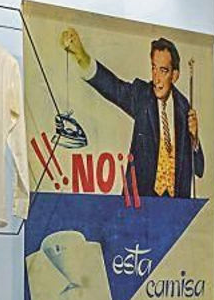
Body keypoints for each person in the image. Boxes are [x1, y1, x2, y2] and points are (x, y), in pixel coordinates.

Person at [61, 27, 204, 198]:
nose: (156, 77)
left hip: (175, 208)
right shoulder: (142, 95)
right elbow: (114, 88)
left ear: (174, 75)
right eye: (154, 68)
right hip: (140, 203)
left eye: (163, 71)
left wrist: (194, 140)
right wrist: (82, 57)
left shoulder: (183, 107)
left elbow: (200, 170)